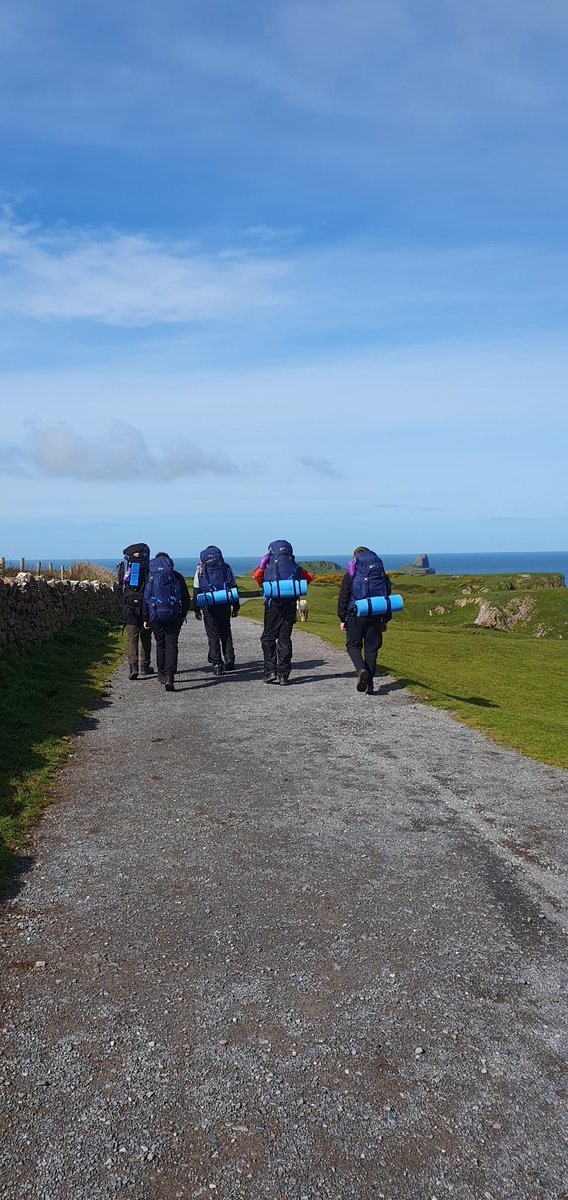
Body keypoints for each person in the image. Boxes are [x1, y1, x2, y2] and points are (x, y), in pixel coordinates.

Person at [253, 540, 314, 684]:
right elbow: (309, 577)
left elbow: (257, 578)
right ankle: (284, 675)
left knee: (268, 638)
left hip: (273, 605)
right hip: (290, 605)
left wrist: (263, 566)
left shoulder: (269, 566)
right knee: (284, 639)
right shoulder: (294, 566)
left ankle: (270, 671)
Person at [338, 546, 392, 695]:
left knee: (353, 645)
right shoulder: (380, 575)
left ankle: (361, 669)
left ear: (355, 559)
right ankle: (369, 684)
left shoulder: (350, 574)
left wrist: (342, 618)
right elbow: (387, 596)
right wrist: (385, 619)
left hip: (356, 614)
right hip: (375, 614)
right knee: (371, 649)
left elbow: (344, 597)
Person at [143, 552, 191, 692]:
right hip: (173, 615)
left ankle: (161, 673)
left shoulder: (150, 577)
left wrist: (146, 618)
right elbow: (186, 598)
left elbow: (146, 599)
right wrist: (183, 614)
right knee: (172, 644)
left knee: (160, 644)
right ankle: (170, 677)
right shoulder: (176, 576)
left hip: (155, 615)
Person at [193, 545, 240, 677]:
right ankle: (230, 660)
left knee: (213, 635)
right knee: (225, 631)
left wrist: (196, 609)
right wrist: (235, 607)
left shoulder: (200, 569)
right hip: (224, 602)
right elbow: (233, 586)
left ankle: (217, 664)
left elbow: (196, 590)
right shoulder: (225, 567)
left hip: (208, 604)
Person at [116, 542, 154, 681]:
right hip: (145, 605)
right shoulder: (147, 566)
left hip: (129, 605)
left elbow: (119, 586)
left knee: (132, 637)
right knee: (146, 636)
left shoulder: (127, 566)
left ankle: (133, 667)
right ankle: (145, 666)